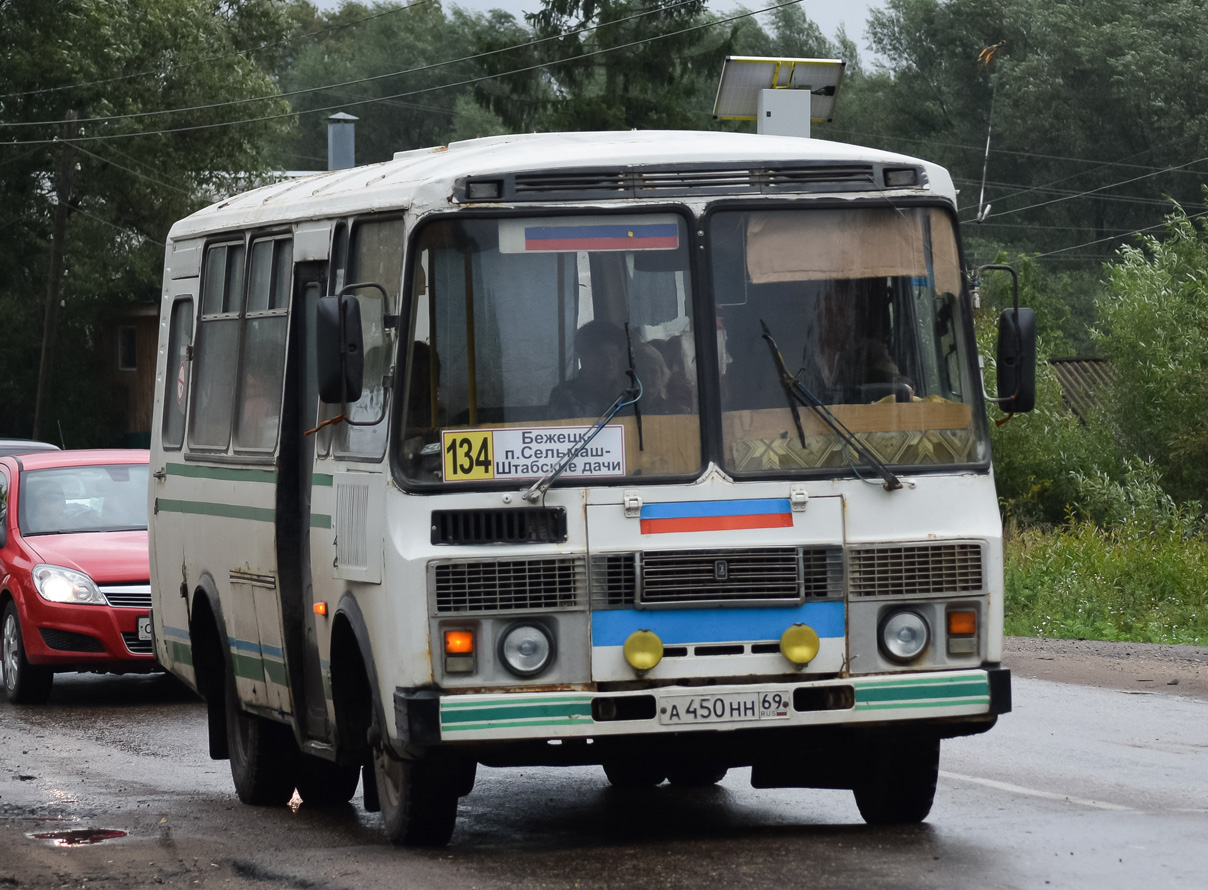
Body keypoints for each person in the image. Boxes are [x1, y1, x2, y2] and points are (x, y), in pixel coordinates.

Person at [798, 280, 912, 403]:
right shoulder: (798, 356)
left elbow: (898, 383)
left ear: (850, 319)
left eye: (840, 312)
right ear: (816, 315)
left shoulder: (869, 354)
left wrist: (905, 389)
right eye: (828, 310)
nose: (833, 318)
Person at [548, 320, 634, 418]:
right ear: (584, 358)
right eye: (601, 355)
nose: (609, 361)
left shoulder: (627, 392)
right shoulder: (564, 394)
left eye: (614, 354)